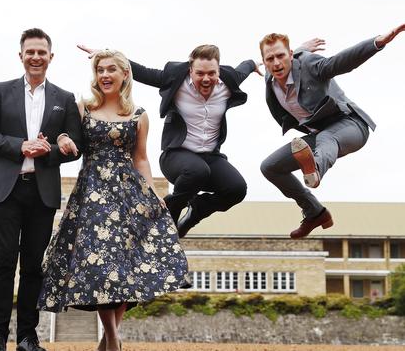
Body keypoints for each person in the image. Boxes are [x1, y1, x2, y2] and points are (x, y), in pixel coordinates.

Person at [38, 49, 189, 351]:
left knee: (124, 268)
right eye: (100, 70)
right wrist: (62, 141)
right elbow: (65, 138)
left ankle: (109, 337)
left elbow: (142, 159)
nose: (104, 75)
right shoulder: (82, 108)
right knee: (101, 268)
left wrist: (152, 193)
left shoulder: (139, 115)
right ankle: (114, 338)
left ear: (125, 74)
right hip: (92, 194)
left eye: (111, 69)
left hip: (128, 195)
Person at [0, 28, 82, 351]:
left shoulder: (65, 99)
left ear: (51, 57)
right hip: (4, 191)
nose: (36, 57)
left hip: (42, 192)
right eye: (30, 51)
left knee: (34, 265)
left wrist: (49, 150)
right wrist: (21, 146)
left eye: (42, 52)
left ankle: (27, 336)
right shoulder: (0, 90)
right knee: (3, 263)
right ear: (20, 55)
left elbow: (74, 148)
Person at [78, 44, 257, 237]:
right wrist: (111, 58)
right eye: (200, 74)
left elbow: (243, 68)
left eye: (211, 74)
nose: (206, 79)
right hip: (176, 156)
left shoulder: (228, 81)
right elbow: (145, 73)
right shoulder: (175, 77)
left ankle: (195, 212)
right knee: (197, 171)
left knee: (237, 189)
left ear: (219, 71)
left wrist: (254, 63)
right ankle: (166, 216)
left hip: (210, 157)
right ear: (191, 71)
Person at [258, 23, 405, 239]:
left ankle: (315, 167)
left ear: (290, 55)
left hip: (351, 125)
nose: (276, 63)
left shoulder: (309, 64)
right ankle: (315, 213)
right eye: (270, 59)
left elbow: (339, 63)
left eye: (281, 56)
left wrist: (377, 43)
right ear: (264, 61)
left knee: (327, 137)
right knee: (270, 167)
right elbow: (284, 54)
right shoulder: (269, 79)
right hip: (319, 135)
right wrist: (301, 47)